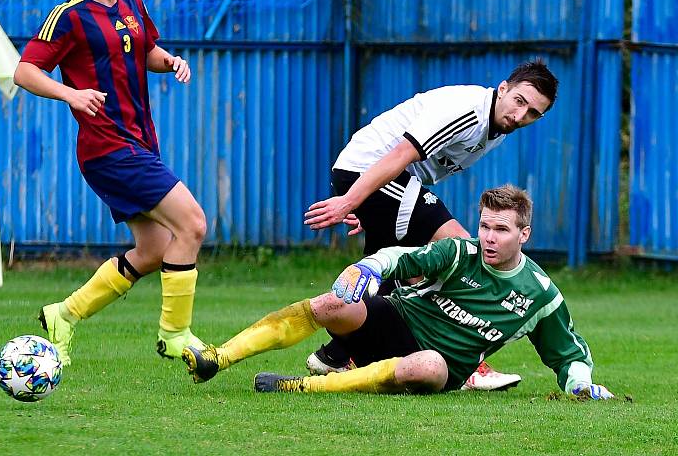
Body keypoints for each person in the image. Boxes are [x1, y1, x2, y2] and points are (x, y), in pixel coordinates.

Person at [181, 185, 614, 401]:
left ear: (525, 234)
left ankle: (297, 387)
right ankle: (217, 358)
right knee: (334, 304)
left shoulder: (539, 294)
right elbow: (400, 258)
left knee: (424, 365)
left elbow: (567, 353)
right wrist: (367, 265)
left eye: (501, 229)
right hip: (396, 322)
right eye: (484, 225)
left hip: (438, 367)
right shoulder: (458, 252)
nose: (488, 236)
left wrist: (580, 384)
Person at [13, 0, 206, 365]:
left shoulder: (133, 2)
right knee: (193, 223)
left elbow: (146, 52)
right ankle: (175, 334)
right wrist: (71, 94)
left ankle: (64, 313)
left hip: (139, 142)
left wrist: (171, 61)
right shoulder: (69, 17)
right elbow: (25, 70)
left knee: (156, 249)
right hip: (108, 148)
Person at [303, 58, 559, 391]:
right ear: (503, 89)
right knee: (461, 247)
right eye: (519, 102)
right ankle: (470, 364)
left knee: (394, 271)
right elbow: (399, 155)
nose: (521, 115)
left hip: (382, 182)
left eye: (533, 113)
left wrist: (374, 207)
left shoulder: (497, 129)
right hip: (372, 171)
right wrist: (352, 200)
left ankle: (336, 354)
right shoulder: (469, 111)